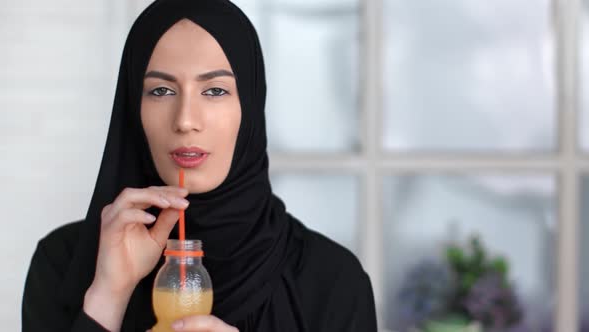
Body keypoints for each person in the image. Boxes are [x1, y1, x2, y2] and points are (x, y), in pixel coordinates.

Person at [22, 0, 377, 331]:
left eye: (215, 91)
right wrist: (108, 296)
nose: (186, 120)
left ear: (250, 107)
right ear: (132, 108)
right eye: (161, 91)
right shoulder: (62, 262)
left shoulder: (331, 280)